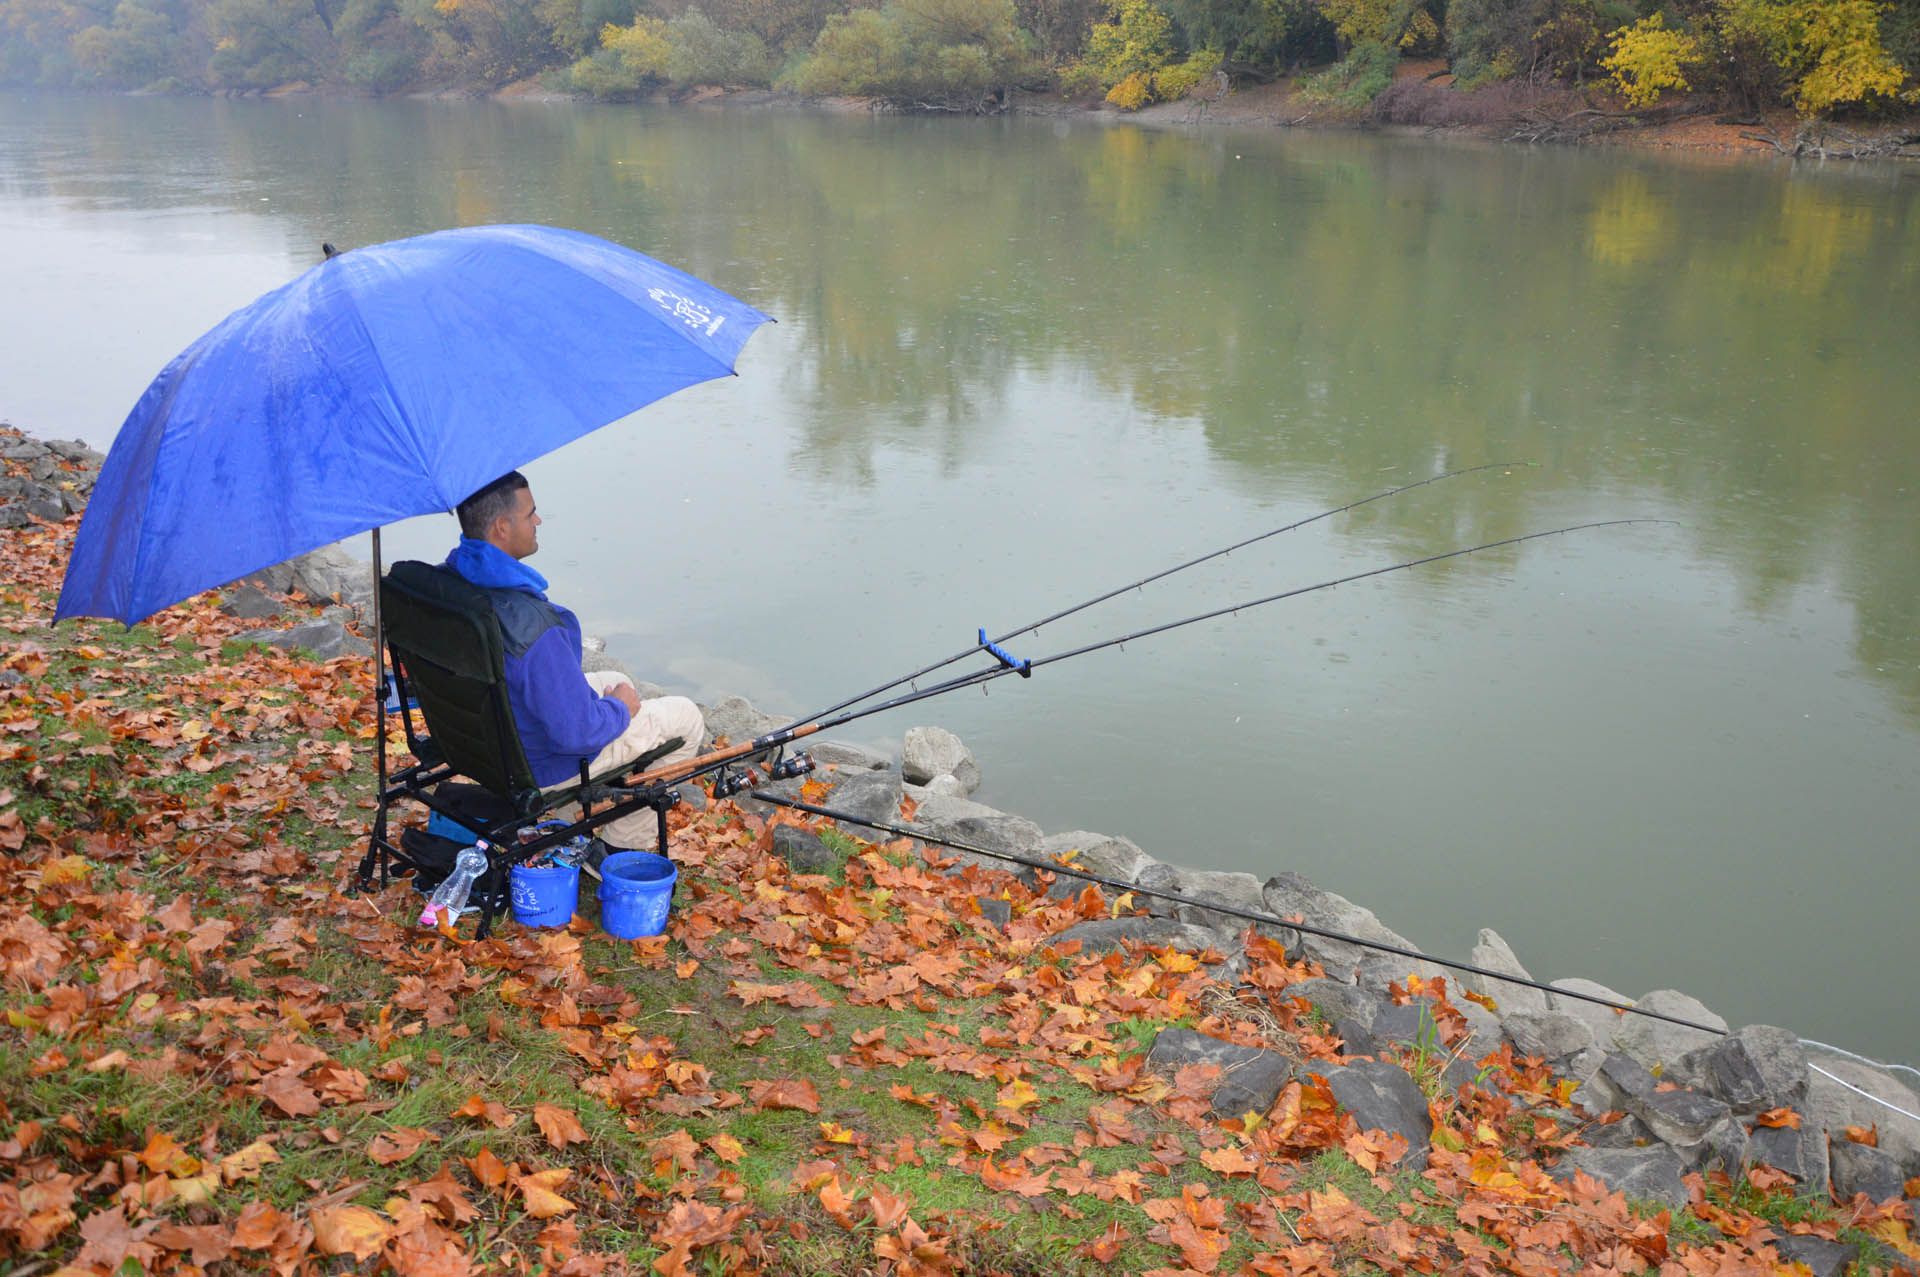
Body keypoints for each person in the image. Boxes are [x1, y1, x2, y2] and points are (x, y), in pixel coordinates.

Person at [446, 471, 704, 853]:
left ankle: (567, 815)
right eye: (530, 513)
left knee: (615, 676)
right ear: (502, 527)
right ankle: (620, 848)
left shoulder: (452, 583)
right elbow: (576, 735)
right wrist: (619, 708)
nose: (538, 521)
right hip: (539, 765)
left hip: (484, 742)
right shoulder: (529, 626)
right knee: (686, 717)